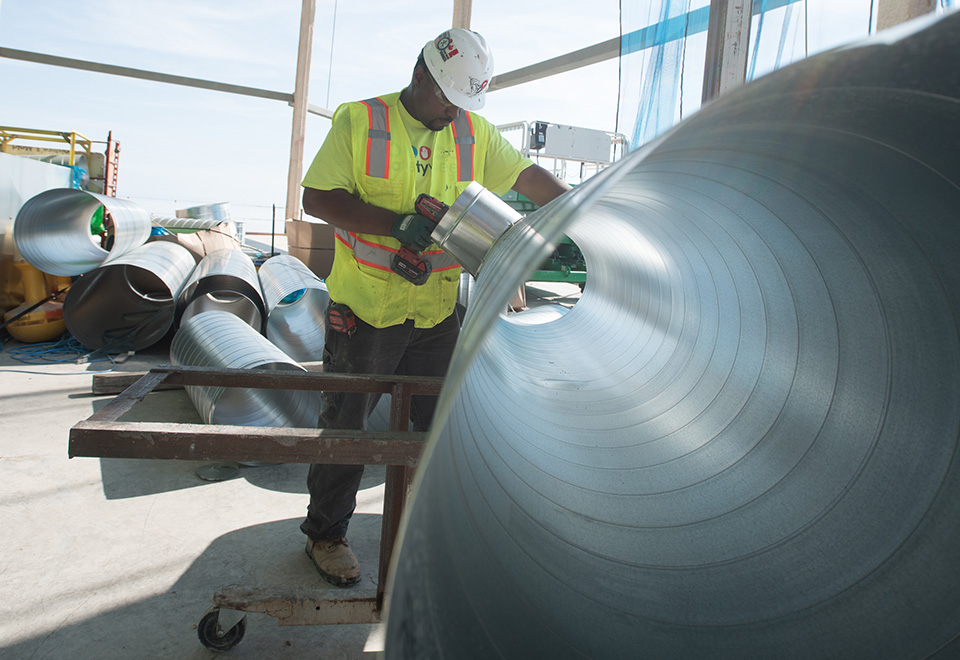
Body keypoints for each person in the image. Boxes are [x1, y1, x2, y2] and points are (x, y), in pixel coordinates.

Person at [299, 27, 570, 587]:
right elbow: (317, 197)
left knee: (439, 428)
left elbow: (527, 176)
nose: (453, 112)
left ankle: (430, 527)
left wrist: (581, 209)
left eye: (465, 101)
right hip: (366, 311)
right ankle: (326, 533)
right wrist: (392, 225)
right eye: (448, 97)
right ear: (421, 74)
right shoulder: (360, 121)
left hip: (434, 313)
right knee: (347, 428)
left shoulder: (472, 132)